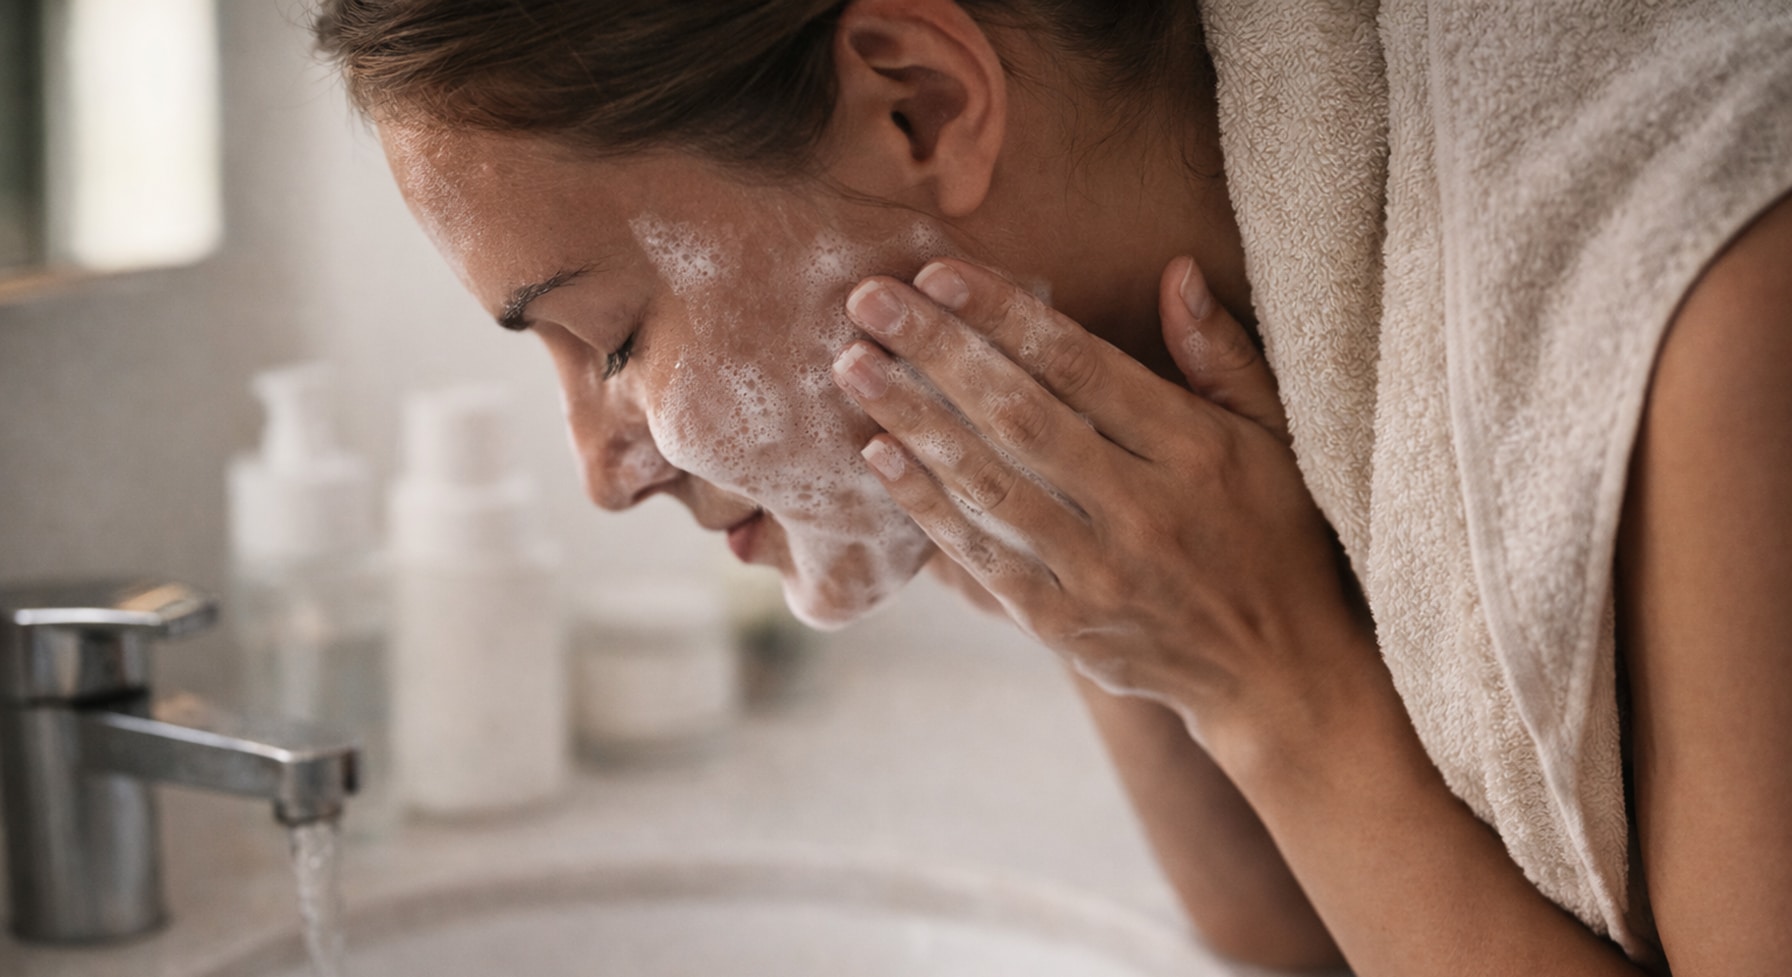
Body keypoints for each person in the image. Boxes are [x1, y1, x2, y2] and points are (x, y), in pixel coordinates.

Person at [312, 1, 1792, 973]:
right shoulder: (1242, 270)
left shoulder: (1703, 304)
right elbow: (1290, 935)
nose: (603, 470)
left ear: (918, 108)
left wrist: (1279, 688)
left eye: (613, 339)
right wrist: (1103, 583)